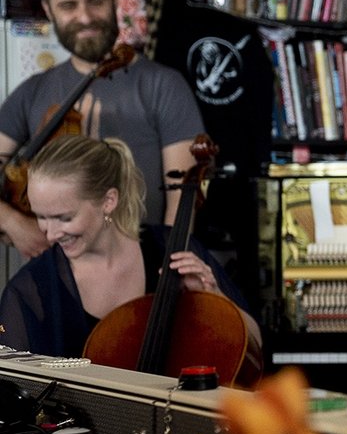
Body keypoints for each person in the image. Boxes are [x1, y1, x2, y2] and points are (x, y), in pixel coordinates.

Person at [0, 0, 205, 259]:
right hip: (56, 277)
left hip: (139, 267)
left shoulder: (163, 85)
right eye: (69, 6)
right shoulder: (33, 91)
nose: (84, 17)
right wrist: (13, 222)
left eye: (95, 2)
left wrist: (166, 272)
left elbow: (182, 203)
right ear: (49, 9)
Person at [0, 134, 257, 357]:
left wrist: (215, 297)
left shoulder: (172, 248)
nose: (51, 234)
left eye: (64, 218)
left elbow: (254, 344)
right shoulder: (29, 290)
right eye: (41, 217)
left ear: (109, 200)